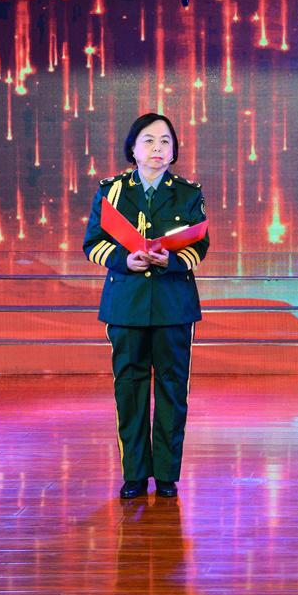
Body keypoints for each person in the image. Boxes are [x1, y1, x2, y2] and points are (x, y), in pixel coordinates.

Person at [82, 112, 209, 499]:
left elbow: (200, 244)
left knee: (172, 388)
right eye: (149, 141)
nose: (158, 148)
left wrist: (172, 260)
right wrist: (125, 260)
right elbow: (93, 243)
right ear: (133, 149)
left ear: (174, 151)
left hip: (174, 304)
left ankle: (167, 474)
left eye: (165, 141)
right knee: (130, 388)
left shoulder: (188, 193)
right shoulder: (112, 191)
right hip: (127, 303)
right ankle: (135, 473)